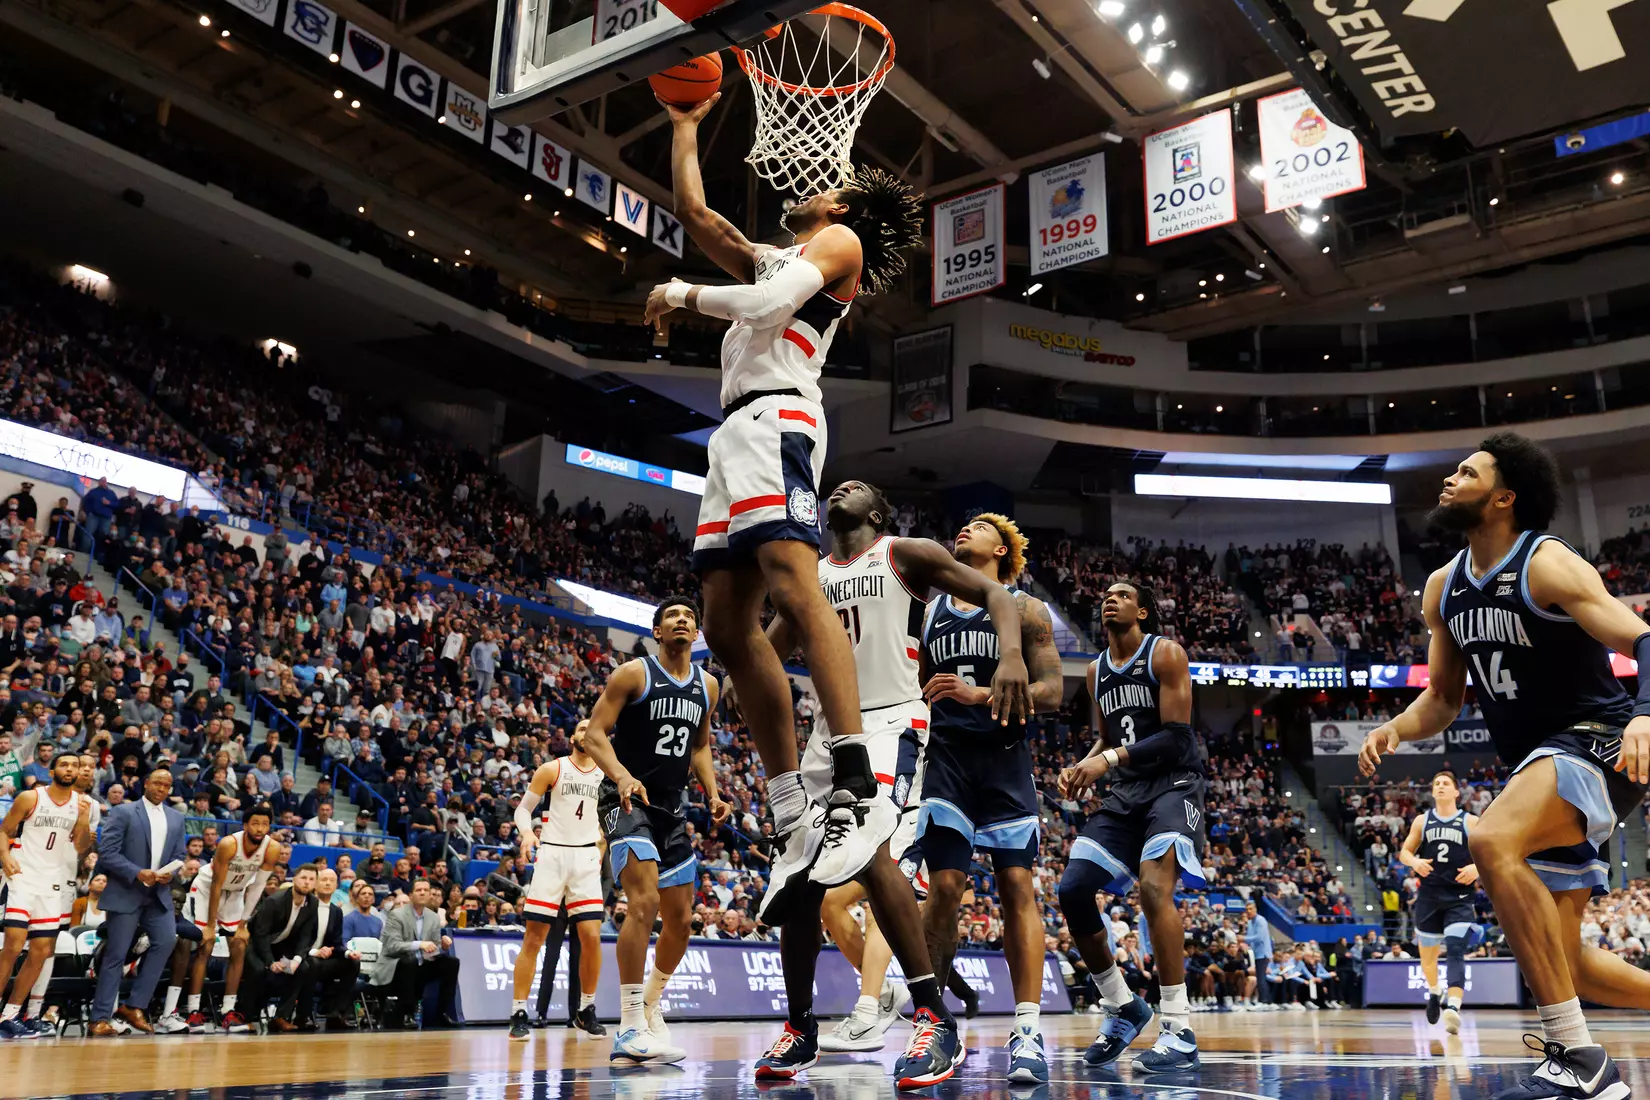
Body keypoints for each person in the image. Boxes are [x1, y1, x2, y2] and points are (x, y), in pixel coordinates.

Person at [644, 91, 926, 925]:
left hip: (778, 420)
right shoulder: (777, 257)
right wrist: (686, 127)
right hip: (734, 433)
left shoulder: (840, 242)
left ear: (843, 208)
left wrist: (680, 294)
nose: (813, 184)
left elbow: (766, 308)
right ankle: (789, 808)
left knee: (793, 584)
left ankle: (851, 770)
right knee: (726, 627)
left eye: (830, 185)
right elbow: (698, 216)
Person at [1359, 432, 1650, 1100]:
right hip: (1539, 766)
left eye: (1467, 472)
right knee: (1568, 965)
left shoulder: (1545, 563)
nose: (1449, 478)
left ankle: (1577, 1058)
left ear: (1504, 497)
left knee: (1489, 838)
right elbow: (1443, 699)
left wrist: (1646, 713)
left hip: (1600, 739)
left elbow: (1642, 638)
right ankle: (1584, 1060)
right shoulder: (1443, 588)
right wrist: (1396, 727)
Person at [756, 481, 1031, 1084]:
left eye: (859, 487)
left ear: (878, 514)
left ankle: (933, 1016)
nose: (843, 486)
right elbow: (766, 654)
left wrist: (1010, 657)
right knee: (799, 872)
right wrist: (732, 670)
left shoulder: (904, 552)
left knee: (872, 848)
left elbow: (996, 595)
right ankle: (800, 1027)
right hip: (827, 733)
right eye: (838, 484)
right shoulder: (810, 575)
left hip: (892, 722)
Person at [909, 512, 1062, 1084]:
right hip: (947, 760)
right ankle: (932, 1021)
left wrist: (980, 695)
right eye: (963, 525)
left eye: (978, 526)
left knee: (1017, 886)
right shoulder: (928, 611)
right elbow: (917, 684)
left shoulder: (1025, 608)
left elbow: (1052, 691)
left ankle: (1027, 1030)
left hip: (1005, 761)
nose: (964, 529)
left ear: (1002, 550)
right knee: (944, 888)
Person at [1058, 581, 1206, 1072]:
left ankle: (1178, 1027)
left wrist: (1107, 761)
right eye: (1106, 594)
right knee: (1073, 889)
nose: (1110, 598)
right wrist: (1082, 765)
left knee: (1154, 888)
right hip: (1125, 793)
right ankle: (1122, 1005)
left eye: (1122, 594)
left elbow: (1177, 738)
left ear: (1142, 611)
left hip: (1174, 784)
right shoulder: (1096, 670)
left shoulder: (1165, 654)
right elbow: (1106, 739)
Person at [579, 597, 728, 1065]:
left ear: (697, 633)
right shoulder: (633, 674)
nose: (682, 620)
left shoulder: (708, 685)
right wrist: (622, 776)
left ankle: (649, 1003)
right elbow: (594, 734)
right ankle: (627, 1025)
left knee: (681, 922)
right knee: (643, 903)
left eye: (689, 616)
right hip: (625, 799)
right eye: (672, 616)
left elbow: (700, 745)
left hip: (671, 807)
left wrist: (713, 791)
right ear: (658, 632)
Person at [509, 722, 606, 1040]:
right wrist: (527, 833)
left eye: (592, 728)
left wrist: (603, 846)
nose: (586, 732)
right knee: (534, 938)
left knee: (592, 936)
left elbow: (611, 819)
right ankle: (518, 1011)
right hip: (552, 853)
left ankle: (585, 1009)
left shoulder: (607, 774)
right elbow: (523, 809)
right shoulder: (553, 768)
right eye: (581, 727)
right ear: (573, 736)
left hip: (585, 857)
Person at [0, 751, 93, 1036]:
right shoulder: (31, 797)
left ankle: (10, 1014)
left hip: (51, 883)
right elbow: (4, 831)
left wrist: (84, 818)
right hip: (22, 877)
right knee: (14, 945)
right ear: (52, 772)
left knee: (41, 951)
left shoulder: (81, 804)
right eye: (64, 764)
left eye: (75, 765)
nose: (70, 769)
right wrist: (5, 857)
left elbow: (81, 847)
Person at [89, 767, 186, 1036]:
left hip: (158, 894)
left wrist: (170, 873)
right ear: (146, 783)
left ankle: (134, 1006)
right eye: (157, 783)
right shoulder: (124, 811)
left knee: (166, 941)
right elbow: (107, 853)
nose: (161, 789)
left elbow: (179, 854)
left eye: (166, 786)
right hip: (126, 890)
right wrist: (137, 872)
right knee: (116, 955)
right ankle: (99, 1017)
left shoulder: (176, 818)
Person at [169, 804, 280, 1033]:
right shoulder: (229, 844)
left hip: (236, 893)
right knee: (206, 945)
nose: (260, 829)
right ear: (245, 825)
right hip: (207, 890)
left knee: (239, 945)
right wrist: (210, 925)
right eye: (255, 823)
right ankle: (193, 1011)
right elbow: (217, 885)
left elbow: (257, 887)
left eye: (265, 824)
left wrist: (243, 924)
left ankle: (227, 1012)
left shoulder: (272, 848)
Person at [1399, 770, 1481, 1035]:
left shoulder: (1470, 822)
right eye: (1437, 783)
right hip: (1429, 896)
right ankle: (1435, 991)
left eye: (1446, 783)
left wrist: (1477, 868)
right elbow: (1404, 852)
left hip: (1460, 896)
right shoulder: (1422, 821)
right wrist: (1414, 862)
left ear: (1457, 792)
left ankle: (1454, 1007)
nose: (1441, 786)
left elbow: (1491, 853)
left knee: (1456, 949)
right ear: (1433, 792)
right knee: (1428, 960)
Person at [241, 863, 321, 1031]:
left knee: (302, 968)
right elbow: (260, 933)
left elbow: (306, 935)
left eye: (311, 879)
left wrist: (297, 958)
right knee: (257, 969)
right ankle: (244, 1017)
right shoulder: (275, 901)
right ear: (294, 879)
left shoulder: (313, 903)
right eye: (303, 878)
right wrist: (270, 962)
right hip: (255, 944)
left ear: (315, 883)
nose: (307, 882)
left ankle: (281, 1017)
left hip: (281, 947)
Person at [381, 879, 459, 1028]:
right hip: (397, 966)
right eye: (418, 890)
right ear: (411, 895)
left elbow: (433, 948)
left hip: (421, 964)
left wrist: (442, 946)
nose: (422, 893)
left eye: (426, 890)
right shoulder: (397, 915)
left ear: (430, 895)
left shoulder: (433, 917)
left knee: (451, 963)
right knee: (409, 961)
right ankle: (407, 1014)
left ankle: (441, 1013)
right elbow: (392, 946)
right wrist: (419, 944)